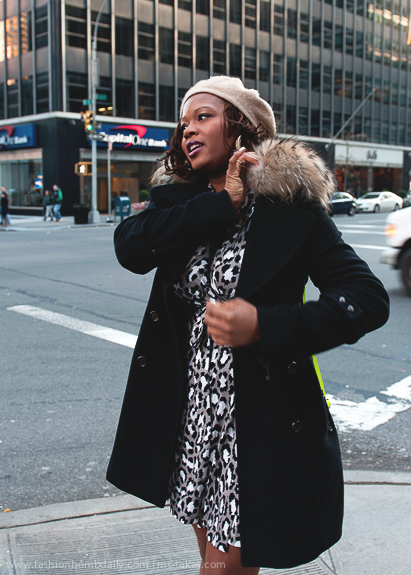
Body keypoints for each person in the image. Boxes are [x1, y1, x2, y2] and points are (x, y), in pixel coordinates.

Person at [107, 76, 389, 573]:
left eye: (203, 117)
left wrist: (265, 325)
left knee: (223, 568)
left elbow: (366, 299)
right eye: (183, 122)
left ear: (240, 127)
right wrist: (222, 204)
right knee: (212, 556)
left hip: (254, 424)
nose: (187, 130)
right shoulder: (183, 202)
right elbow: (130, 248)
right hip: (189, 417)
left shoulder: (289, 209)